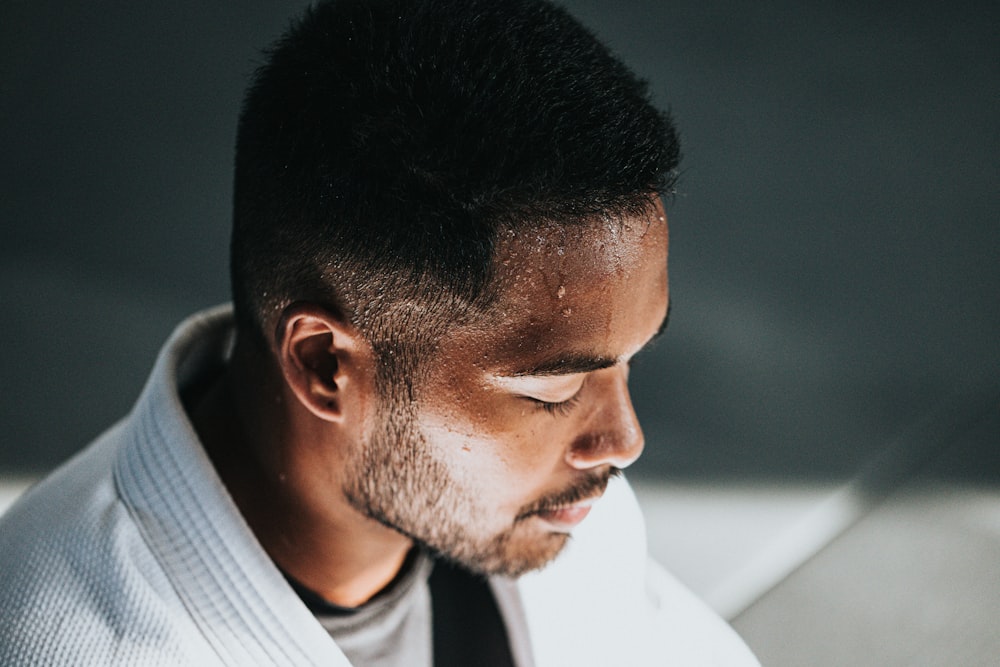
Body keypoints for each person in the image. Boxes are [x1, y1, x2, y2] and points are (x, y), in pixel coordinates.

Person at [0, 0, 758, 664]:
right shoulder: (84, 646)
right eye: (554, 387)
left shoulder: (561, 518)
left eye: (629, 360)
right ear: (326, 362)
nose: (623, 439)